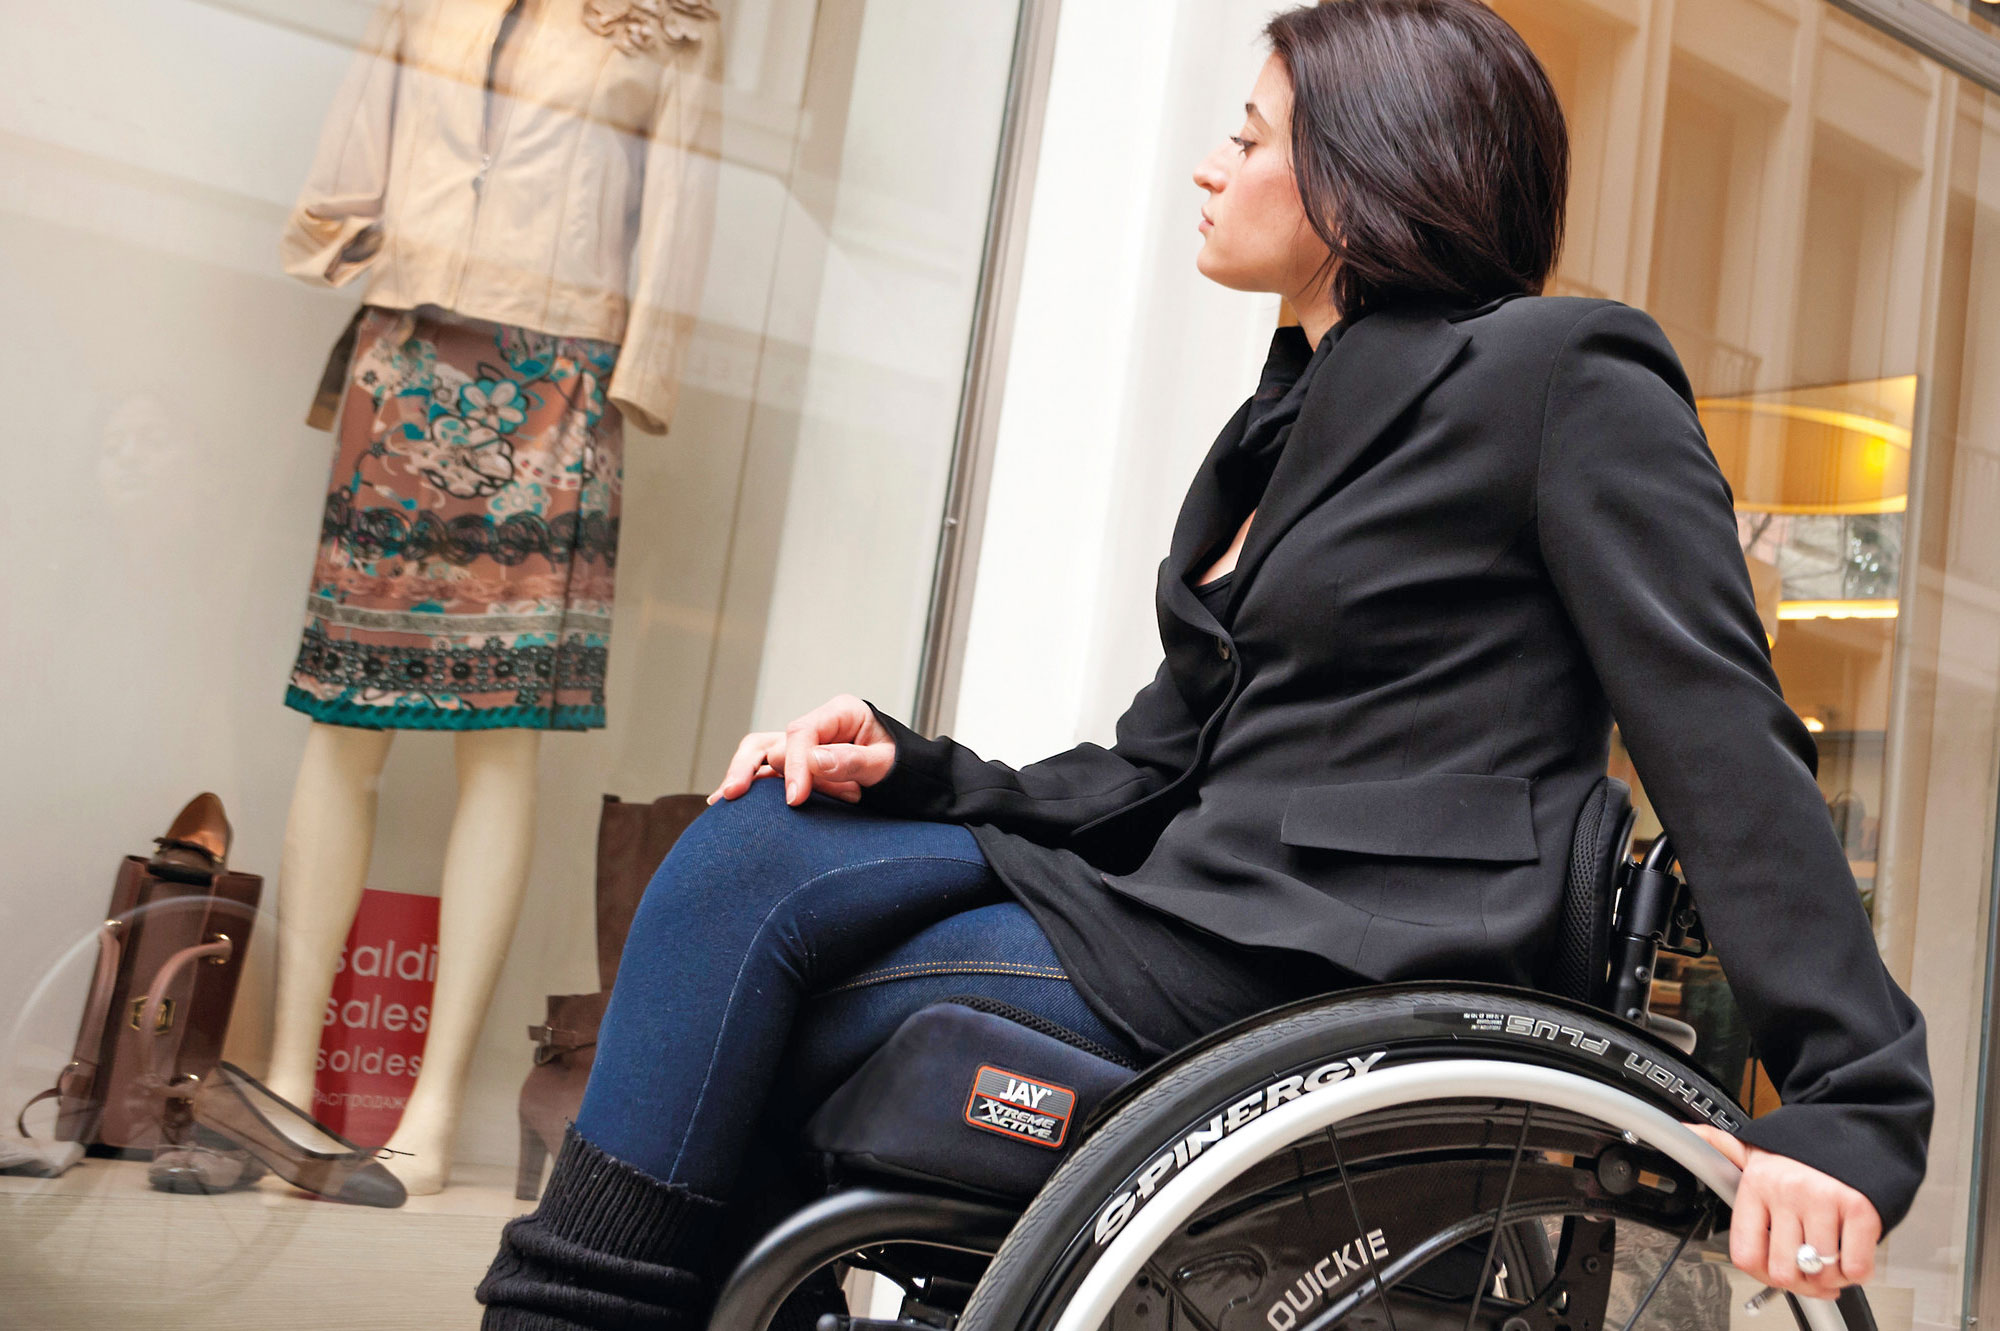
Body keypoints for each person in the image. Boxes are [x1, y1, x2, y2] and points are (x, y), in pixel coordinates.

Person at [475, 2, 1933, 1327]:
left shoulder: (1563, 374)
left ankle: (570, 1313)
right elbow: (1155, 764)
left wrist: (1851, 1103)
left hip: (1336, 953)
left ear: (1363, 171)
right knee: (763, 836)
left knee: (776, 974)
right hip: (1195, 906)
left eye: (1248, 139)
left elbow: (1721, 732)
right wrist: (910, 764)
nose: (1208, 169)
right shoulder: (1278, 428)